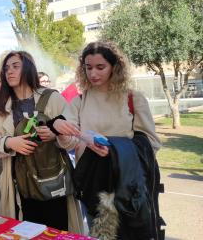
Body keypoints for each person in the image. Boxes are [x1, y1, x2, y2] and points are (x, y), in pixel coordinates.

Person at [52, 41, 161, 238]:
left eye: (100, 67)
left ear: (114, 67)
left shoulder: (133, 98)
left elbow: (151, 142)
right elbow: (70, 142)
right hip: (93, 182)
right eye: (88, 67)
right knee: (101, 234)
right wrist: (60, 130)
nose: (93, 74)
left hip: (128, 185)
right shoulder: (79, 101)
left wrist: (114, 150)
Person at [0, 51, 83, 232]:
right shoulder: (0, 106)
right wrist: (9, 143)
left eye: (15, 66)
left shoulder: (52, 98)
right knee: (27, 231)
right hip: (19, 185)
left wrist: (55, 134)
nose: (9, 72)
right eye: (6, 68)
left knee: (57, 231)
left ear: (28, 68)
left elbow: (74, 138)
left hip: (54, 182)